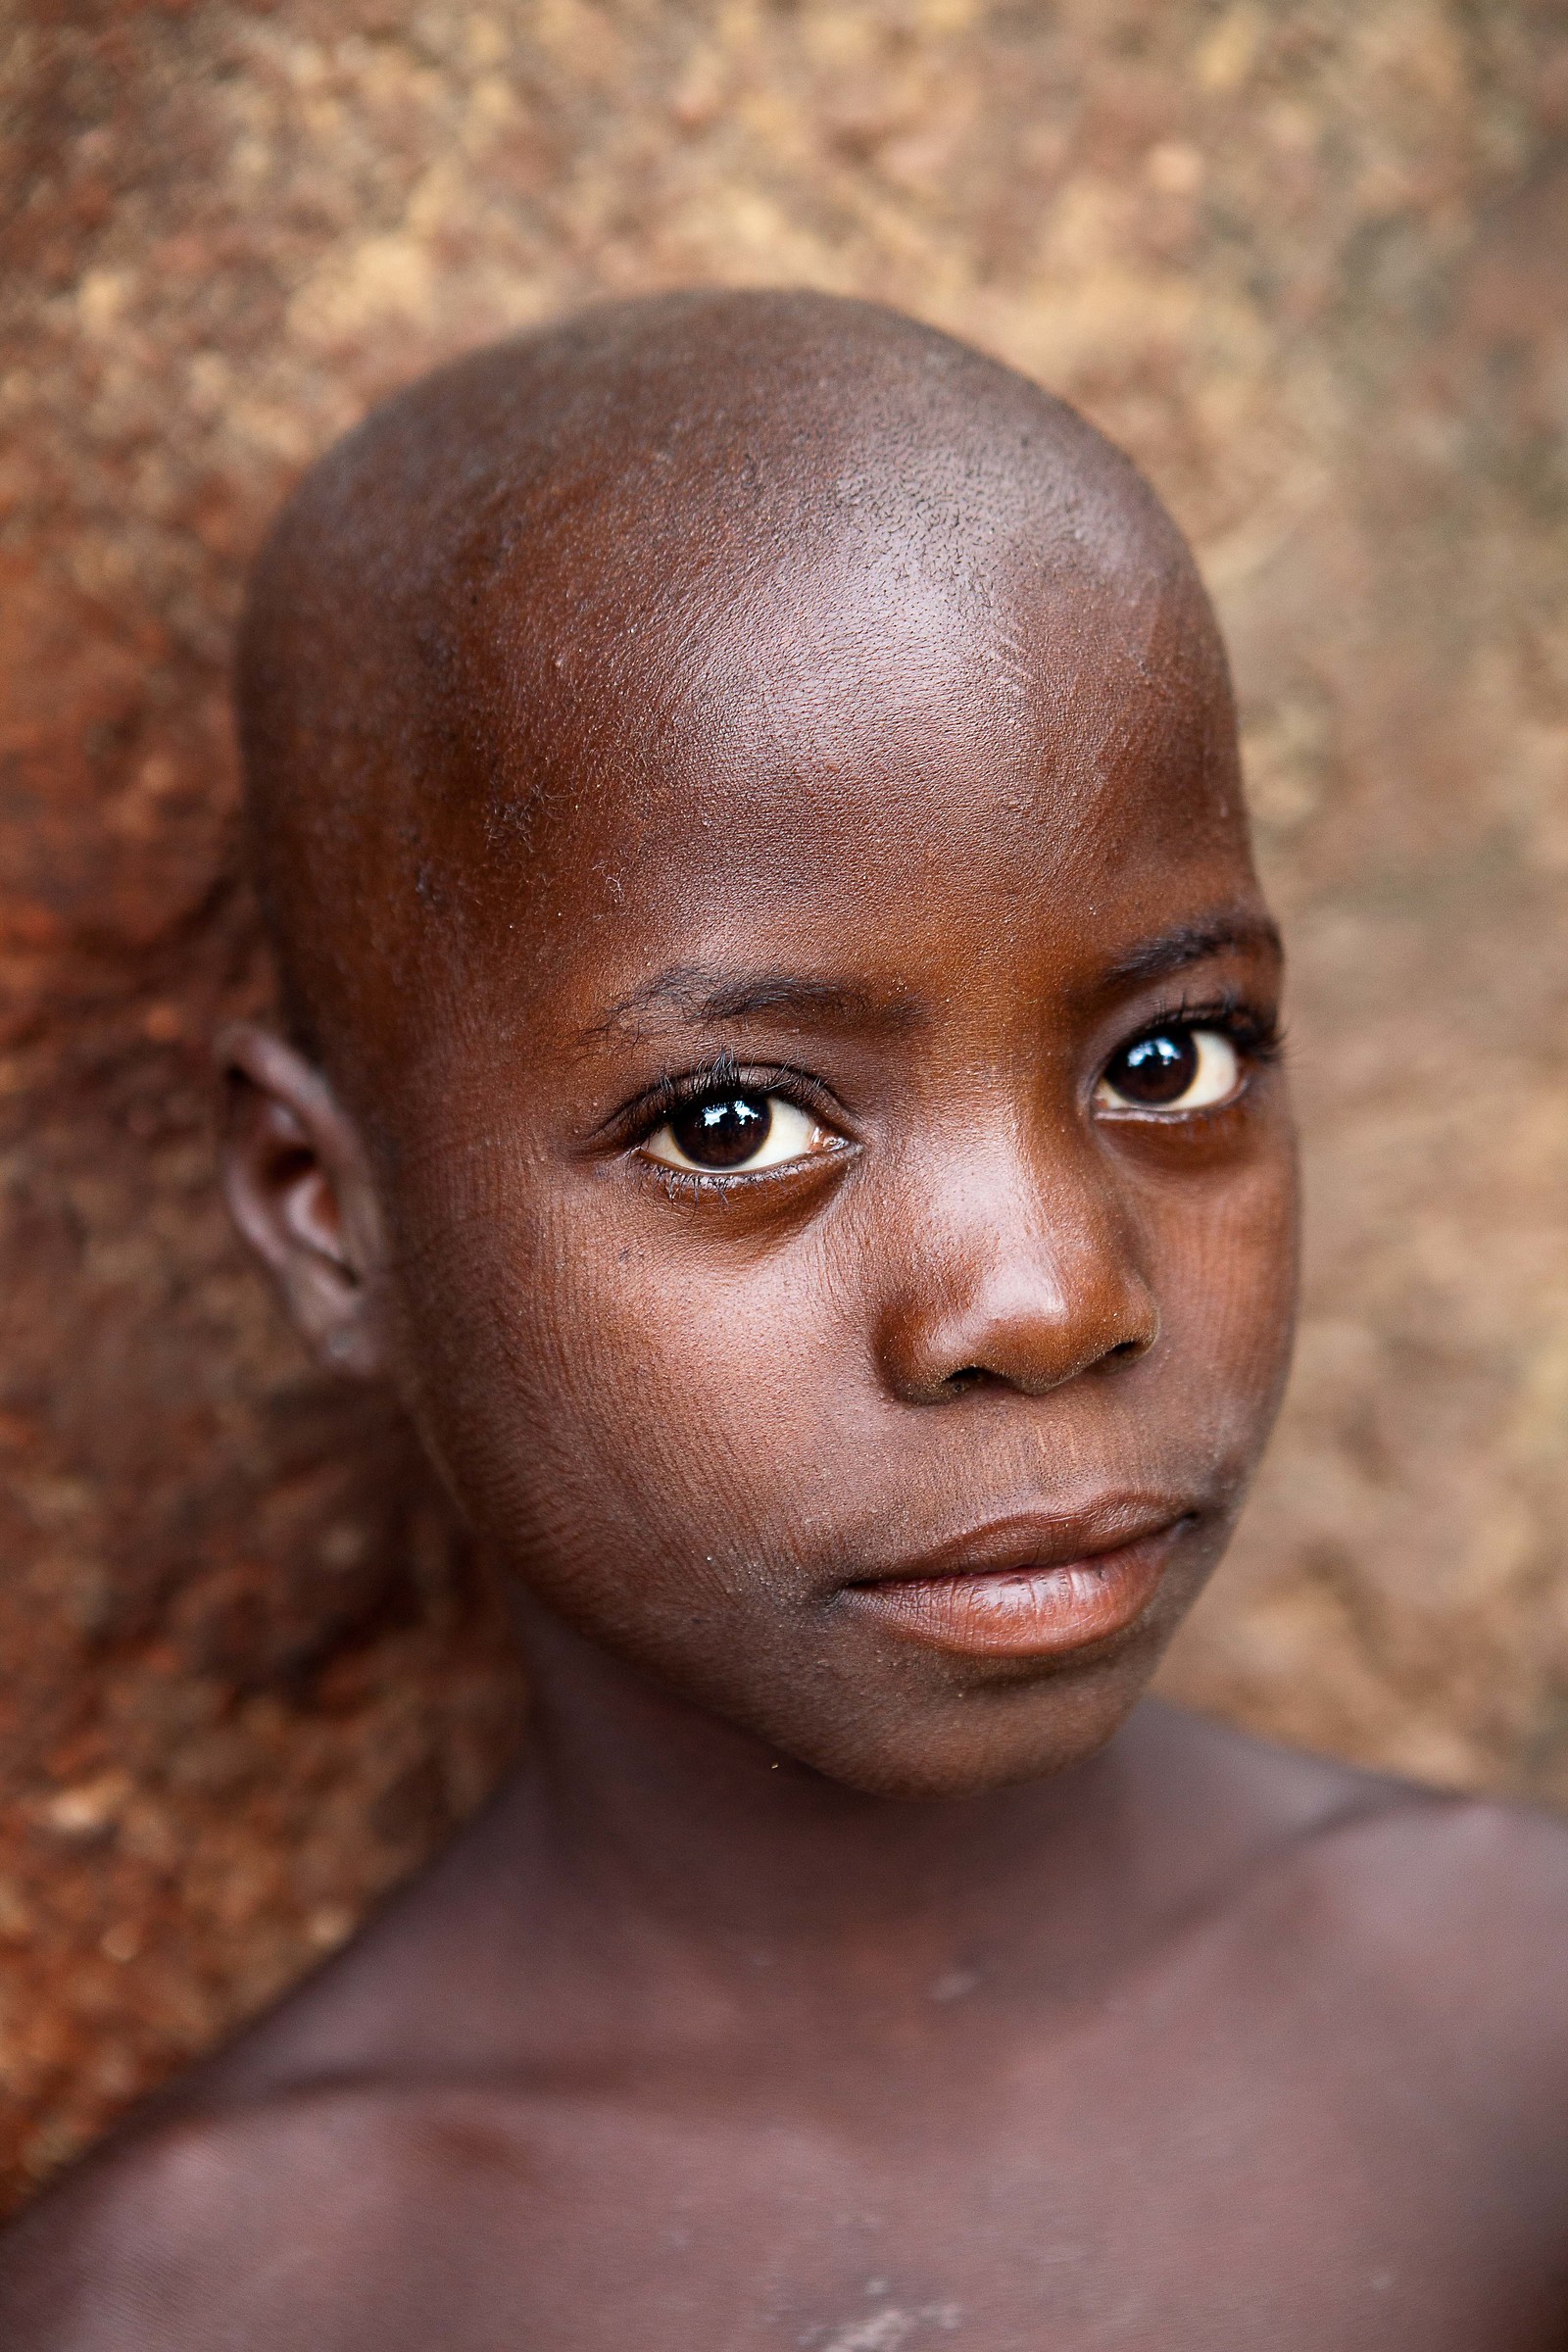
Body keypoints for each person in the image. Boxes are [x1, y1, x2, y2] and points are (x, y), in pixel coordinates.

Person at [1, 289, 1564, 2350]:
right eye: (730, 1121)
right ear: (327, 1213)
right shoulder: (227, 2304)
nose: (1046, 1298)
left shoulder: (1512, 2038)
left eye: (1169, 1061)